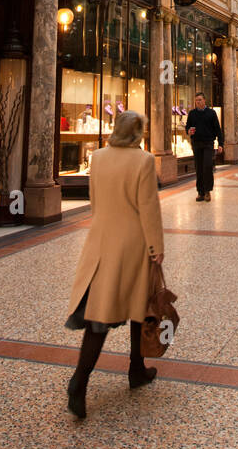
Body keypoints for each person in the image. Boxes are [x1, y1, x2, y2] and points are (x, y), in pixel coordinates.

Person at [65, 111, 164, 419]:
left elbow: (95, 200)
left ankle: (113, 373)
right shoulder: (143, 161)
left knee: (107, 311)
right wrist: (156, 247)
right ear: (138, 133)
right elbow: (148, 207)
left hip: (100, 239)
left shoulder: (97, 157)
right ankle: (98, 378)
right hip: (132, 243)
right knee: (128, 310)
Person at [185, 92, 224, 202]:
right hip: (196, 143)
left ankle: (207, 191)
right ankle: (200, 192)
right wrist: (189, 131)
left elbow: (217, 129)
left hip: (208, 143)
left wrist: (221, 143)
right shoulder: (192, 113)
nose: (198, 102)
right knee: (199, 168)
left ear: (204, 100)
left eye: (200, 100)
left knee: (207, 166)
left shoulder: (211, 113)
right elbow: (187, 127)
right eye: (196, 100)